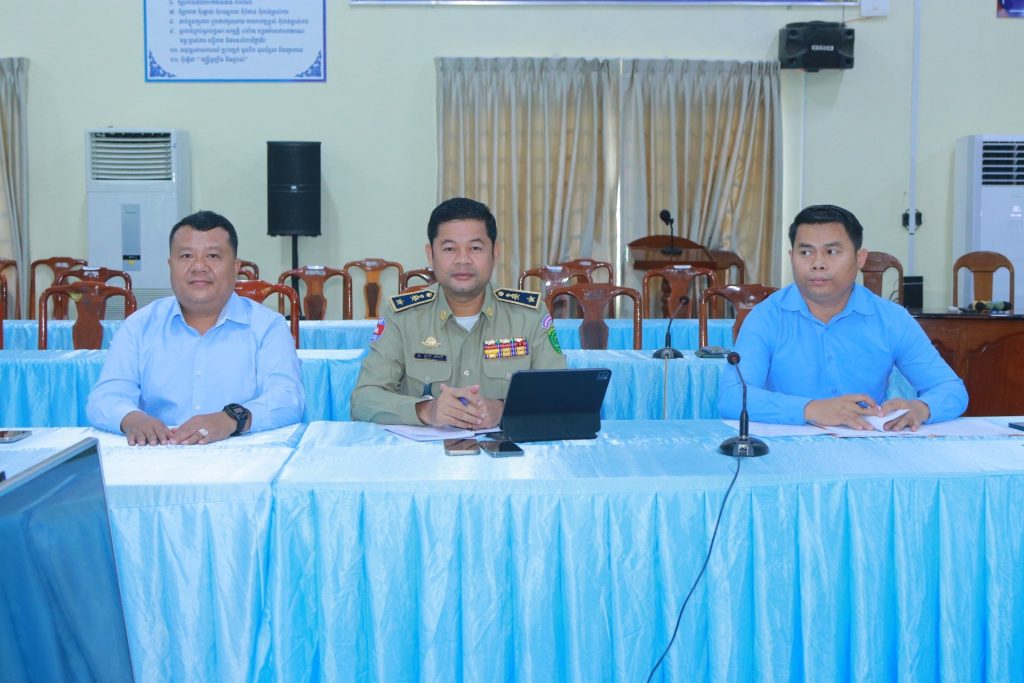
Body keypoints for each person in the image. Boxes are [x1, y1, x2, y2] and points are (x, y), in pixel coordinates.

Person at [718, 204, 968, 430]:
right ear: (791, 257)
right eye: (805, 253)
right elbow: (732, 397)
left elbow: (951, 389)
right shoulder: (766, 317)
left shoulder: (891, 319)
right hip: (787, 448)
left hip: (867, 447)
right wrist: (811, 409)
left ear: (860, 258)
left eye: (831, 251)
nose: (817, 263)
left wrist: (921, 409)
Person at [86, 210, 305, 445]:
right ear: (170, 265)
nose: (199, 266)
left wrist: (231, 419)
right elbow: (104, 397)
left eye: (212, 256)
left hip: (243, 455)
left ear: (235, 267)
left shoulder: (267, 326)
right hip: (159, 454)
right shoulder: (139, 326)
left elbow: (288, 398)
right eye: (186, 256)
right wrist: (132, 418)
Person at [351, 197, 566, 428]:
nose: (463, 260)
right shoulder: (402, 316)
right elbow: (363, 400)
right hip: (424, 450)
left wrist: (504, 409)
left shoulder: (529, 315)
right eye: (449, 249)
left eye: (475, 248)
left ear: (495, 253)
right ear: (430, 255)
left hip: (504, 449)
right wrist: (426, 410)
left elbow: (561, 395)